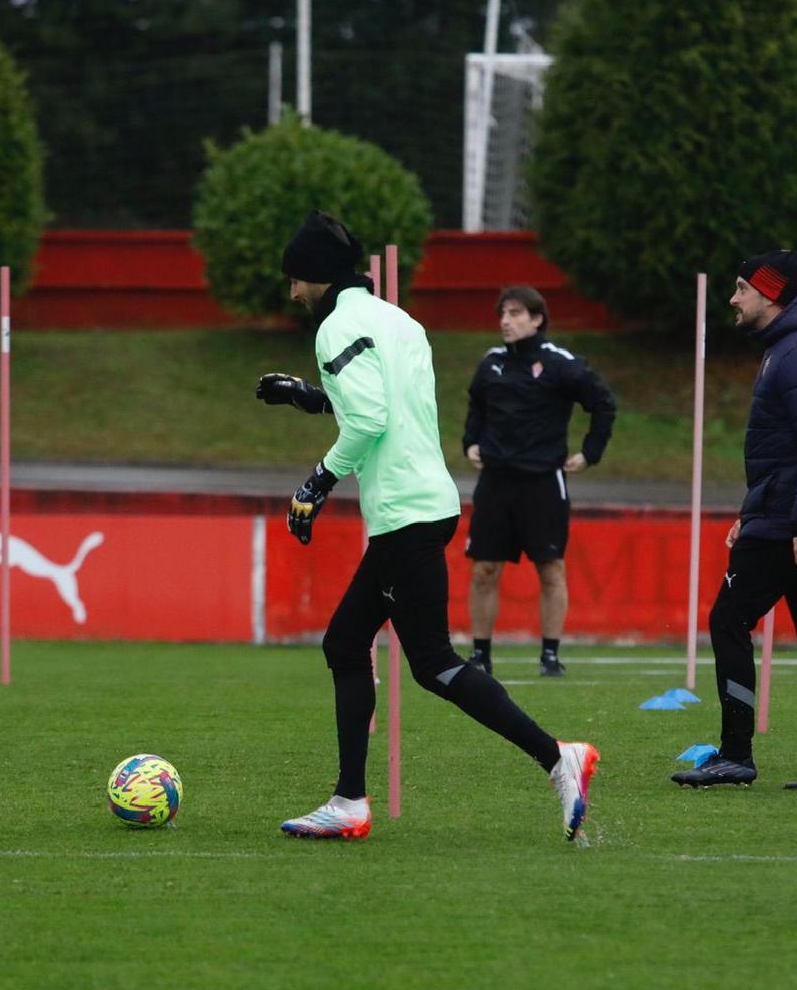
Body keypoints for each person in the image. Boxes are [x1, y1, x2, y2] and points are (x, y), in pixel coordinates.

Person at [254, 211, 599, 841]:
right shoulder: (400, 321)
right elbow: (383, 403)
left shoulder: (335, 327)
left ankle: (557, 758)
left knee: (427, 660)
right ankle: (352, 800)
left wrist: (316, 484)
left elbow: (369, 422)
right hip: (429, 503)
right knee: (359, 646)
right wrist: (309, 395)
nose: (293, 294)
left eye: (294, 281)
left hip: (404, 512)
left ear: (314, 277)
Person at [670, 249, 797, 792]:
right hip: (783, 514)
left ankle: (735, 754)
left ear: (772, 294)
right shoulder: (791, 347)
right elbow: (785, 452)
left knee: (728, 620)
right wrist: (750, 512)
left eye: (741, 288)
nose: (733, 299)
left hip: (791, 524)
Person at [461, 285, 617, 679]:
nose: (505, 321)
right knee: (484, 570)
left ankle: (550, 655)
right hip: (495, 481)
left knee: (550, 569)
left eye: (515, 314)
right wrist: (471, 443)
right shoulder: (491, 363)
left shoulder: (560, 363)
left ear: (536, 319)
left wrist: (590, 451)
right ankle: (480, 655)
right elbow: (476, 406)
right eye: (502, 314)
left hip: (543, 482)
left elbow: (603, 403)